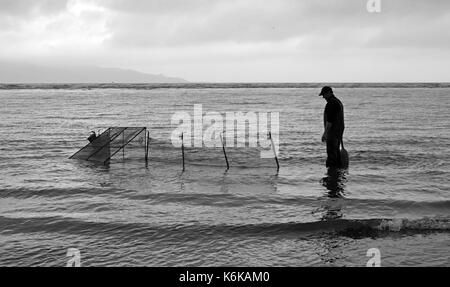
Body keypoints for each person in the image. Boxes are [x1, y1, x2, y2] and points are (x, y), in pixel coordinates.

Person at [319, 86, 345, 168]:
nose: (323, 97)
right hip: (338, 132)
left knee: (332, 157)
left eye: (324, 94)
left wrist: (325, 133)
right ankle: (336, 174)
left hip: (332, 134)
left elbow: (330, 121)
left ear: (329, 93)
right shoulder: (338, 102)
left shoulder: (331, 104)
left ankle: (332, 176)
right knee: (336, 155)